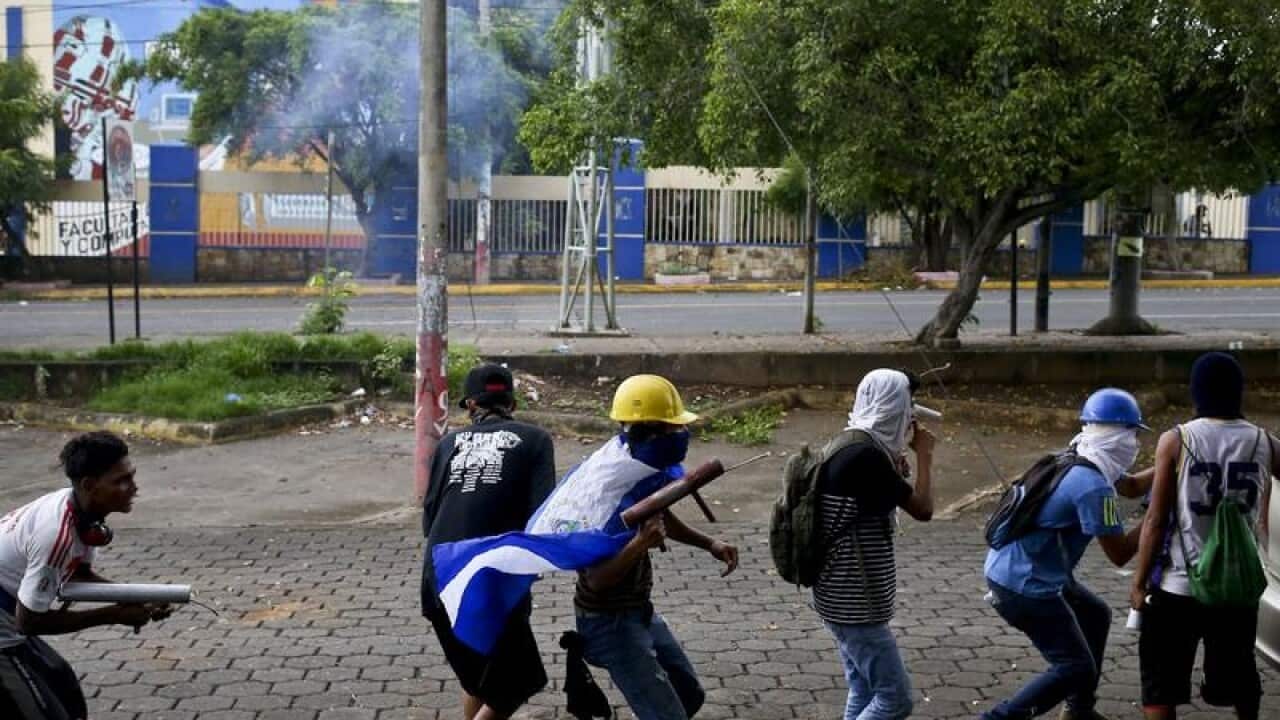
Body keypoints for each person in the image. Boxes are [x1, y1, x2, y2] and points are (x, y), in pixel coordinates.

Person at [574, 374, 739, 720]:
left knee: (688, 695)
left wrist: (708, 542)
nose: (681, 435)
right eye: (672, 428)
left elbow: (656, 512)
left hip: (638, 610)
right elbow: (597, 580)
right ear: (645, 429)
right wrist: (640, 544)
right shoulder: (607, 491)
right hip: (609, 622)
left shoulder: (636, 468)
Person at [982, 388, 1151, 720]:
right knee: (1074, 667)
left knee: (1095, 615)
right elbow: (1119, 554)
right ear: (1119, 435)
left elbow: (1130, 486)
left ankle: (1079, 712)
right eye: (1132, 433)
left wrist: (1172, 467)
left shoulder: (1077, 455)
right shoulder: (1092, 485)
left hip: (1013, 569)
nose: (1135, 443)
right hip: (1025, 587)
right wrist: (1158, 512)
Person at [1130, 352, 1280, 720]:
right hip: (1236, 586)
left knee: (1161, 681)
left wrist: (1138, 583)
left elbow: (1155, 519)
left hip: (1178, 585)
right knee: (1241, 674)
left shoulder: (1177, 440)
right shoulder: (1266, 442)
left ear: (1197, 391)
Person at [0, 431, 171, 719]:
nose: (134, 487)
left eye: (132, 476)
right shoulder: (56, 534)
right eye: (122, 481)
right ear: (90, 485)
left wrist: (136, 598)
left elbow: (76, 574)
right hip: (11, 624)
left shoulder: (81, 512)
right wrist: (113, 614)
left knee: (64, 689)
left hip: (11, 614)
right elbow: (29, 621)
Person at [421, 363, 557, 720]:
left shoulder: (448, 442)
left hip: (438, 581)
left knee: (482, 680)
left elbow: (429, 518)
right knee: (518, 680)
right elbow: (542, 519)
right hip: (494, 579)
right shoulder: (536, 440)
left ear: (469, 405)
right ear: (513, 404)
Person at [812, 368, 936, 720]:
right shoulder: (865, 458)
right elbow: (923, 509)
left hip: (838, 595)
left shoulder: (853, 444)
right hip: (854, 603)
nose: (913, 414)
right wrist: (925, 455)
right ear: (895, 406)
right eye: (909, 404)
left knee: (864, 688)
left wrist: (896, 464)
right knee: (895, 699)